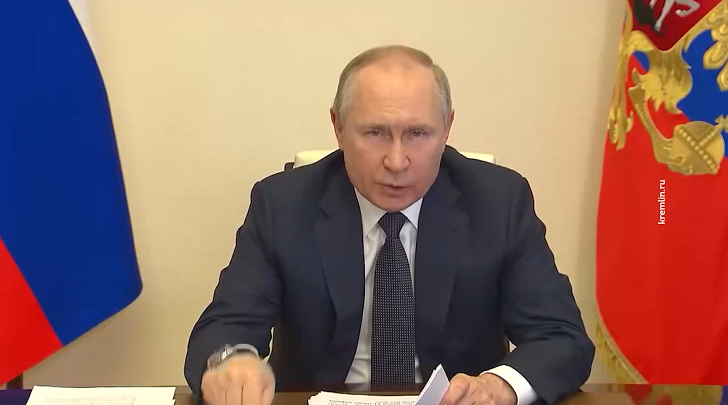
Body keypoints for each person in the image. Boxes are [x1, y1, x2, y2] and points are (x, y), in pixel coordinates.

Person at [184, 44, 594, 405]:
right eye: (375, 133)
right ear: (338, 127)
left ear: (447, 128)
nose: (396, 162)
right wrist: (231, 362)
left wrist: (499, 386)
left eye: (417, 133)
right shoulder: (283, 205)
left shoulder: (498, 202)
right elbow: (225, 325)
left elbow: (561, 337)